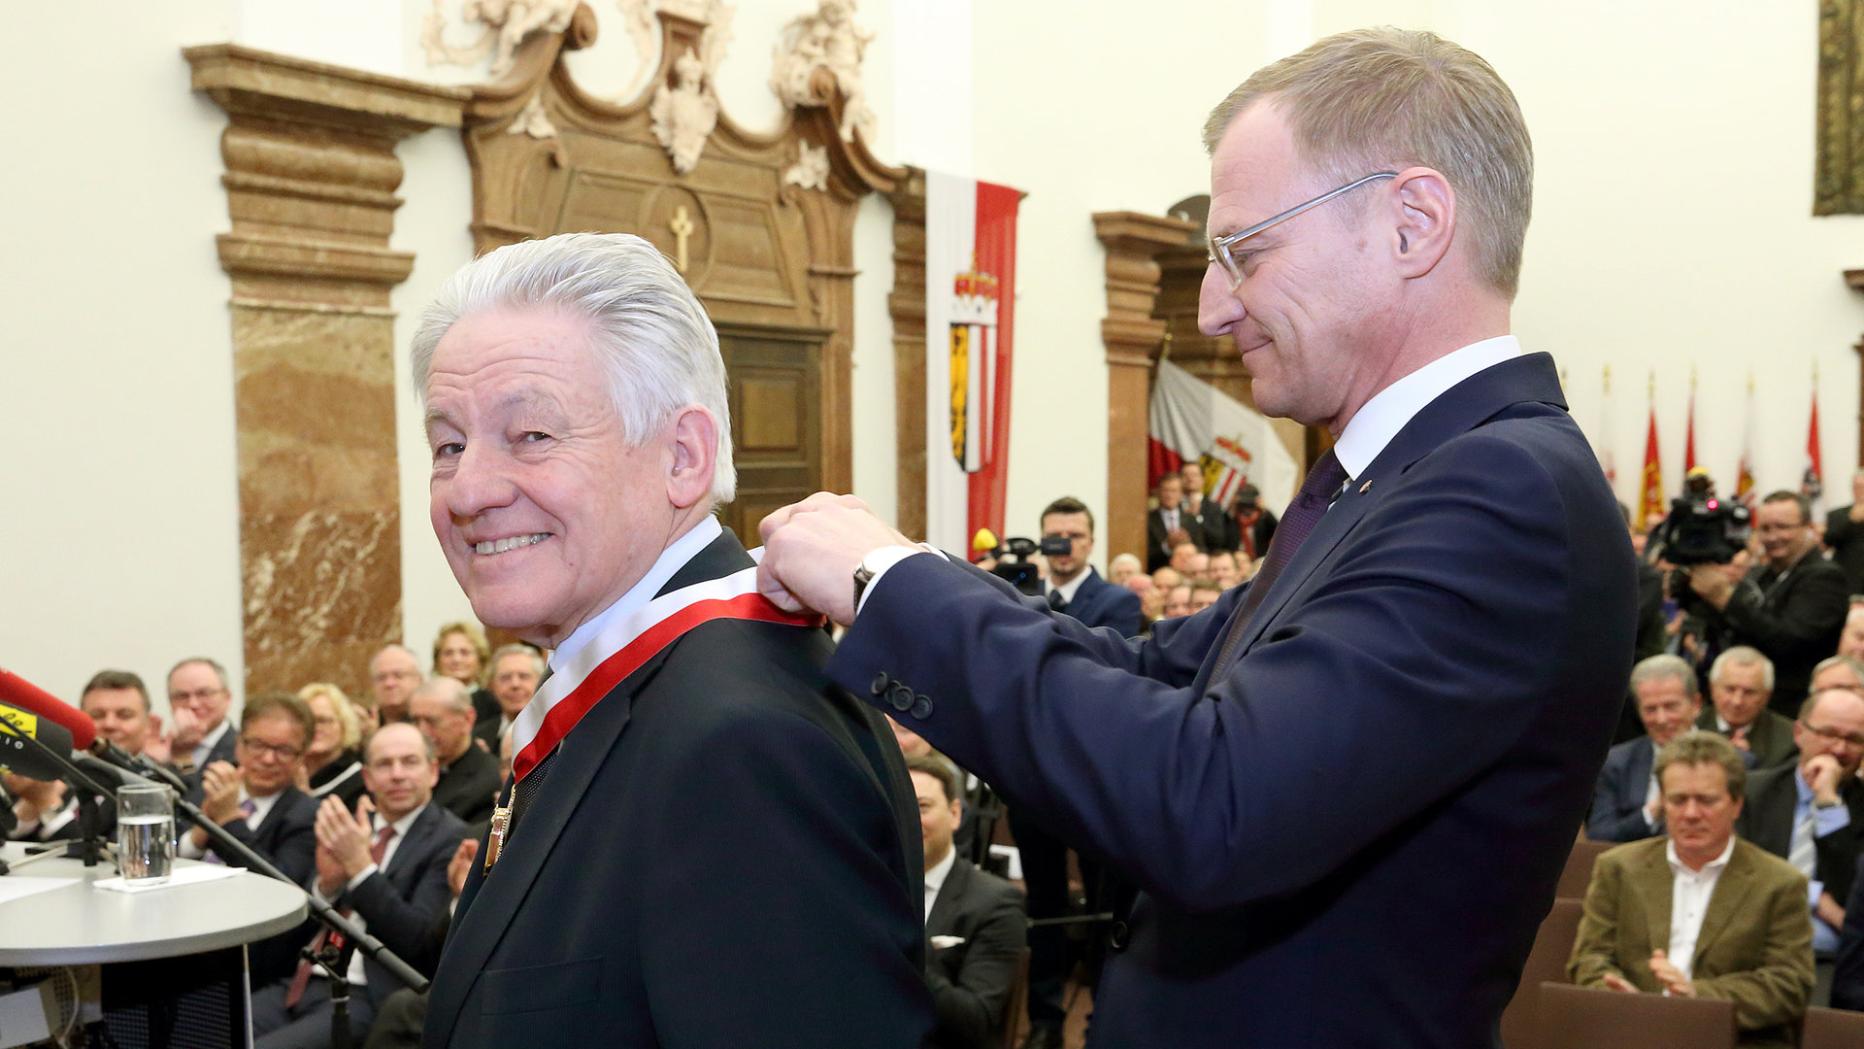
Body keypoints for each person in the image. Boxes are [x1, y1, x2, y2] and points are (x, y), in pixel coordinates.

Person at [757, 28, 1634, 1048]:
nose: (1214, 309)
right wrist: (898, 574)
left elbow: (1214, 800)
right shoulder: (1402, 478)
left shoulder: (1501, 492)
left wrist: (890, 584)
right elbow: (1150, 670)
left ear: (1412, 224)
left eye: (1243, 252)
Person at [416, 232, 931, 1048]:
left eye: (533, 435)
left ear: (683, 457)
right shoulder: (642, 680)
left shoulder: (740, 740)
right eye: (449, 445)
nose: (468, 490)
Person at [1568, 732, 1813, 1048]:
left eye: (1706, 801)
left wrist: (1697, 997)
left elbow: (1790, 983)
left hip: (1731, 1040)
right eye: (1678, 800)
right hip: (1631, 1035)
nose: (1691, 814)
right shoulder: (1618, 868)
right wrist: (1623, 999)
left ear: (1737, 804)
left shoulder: (1780, 883)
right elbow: (1588, 958)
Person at [252, 723, 468, 1047]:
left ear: (433, 771)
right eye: (384, 764)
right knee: (207, 1030)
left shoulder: (450, 838)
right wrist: (327, 886)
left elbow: (418, 941)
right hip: (300, 980)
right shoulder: (348, 827)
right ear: (367, 778)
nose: (397, 775)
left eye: (409, 762)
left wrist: (360, 869)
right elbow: (291, 934)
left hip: (364, 994)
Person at [1735, 687, 1864, 1003]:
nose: (1839, 749)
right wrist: (1817, 898)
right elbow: (1739, 873)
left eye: (1853, 739)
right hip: (1747, 947)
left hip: (1828, 961)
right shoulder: (1753, 791)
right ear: (1799, 733)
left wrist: (1829, 803)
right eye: (1828, 734)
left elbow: (1854, 898)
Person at [181, 691, 320, 985]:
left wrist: (229, 821)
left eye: (284, 750)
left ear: (302, 757)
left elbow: (281, 888)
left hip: (247, 957)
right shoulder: (204, 789)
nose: (268, 759)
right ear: (239, 744)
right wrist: (198, 836)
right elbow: (168, 855)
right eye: (257, 745)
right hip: (182, 931)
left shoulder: (306, 815)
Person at [1683, 491, 1850, 719]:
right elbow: (1733, 627)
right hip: (1741, 704)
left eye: (1783, 527)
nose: (1773, 536)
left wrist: (1725, 598)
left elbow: (1789, 640)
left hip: (1790, 709)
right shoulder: (1760, 574)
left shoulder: (1825, 577)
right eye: (1765, 528)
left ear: (1808, 527)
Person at [909, 754, 1027, 1049]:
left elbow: (975, 1020)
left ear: (955, 814)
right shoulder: (869, 883)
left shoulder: (995, 903)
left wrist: (900, 946)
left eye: (922, 807)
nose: (909, 820)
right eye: (900, 808)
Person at [1591, 654, 1701, 842]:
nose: (1661, 719)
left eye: (1671, 706)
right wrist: (1650, 813)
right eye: (1650, 709)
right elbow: (1599, 836)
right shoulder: (1617, 763)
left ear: (1696, 704)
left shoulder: (1734, 760)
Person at [408, 677, 499, 826]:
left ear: (468, 719)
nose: (422, 731)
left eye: (432, 721)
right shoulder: (406, 771)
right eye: (415, 721)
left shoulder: (488, 783)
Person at [1695, 647, 1798, 770]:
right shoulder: (1691, 726)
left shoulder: (1789, 739)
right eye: (1730, 689)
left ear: (1767, 696)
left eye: (1749, 692)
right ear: (1712, 689)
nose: (1737, 701)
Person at [167, 656, 238, 780]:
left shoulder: (241, 750)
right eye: (182, 696)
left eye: (204, 693)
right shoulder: (162, 751)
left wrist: (184, 761)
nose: (193, 704)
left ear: (227, 698)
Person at [298, 682, 367, 809]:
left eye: (323, 720)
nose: (315, 728)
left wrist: (303, 802)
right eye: (307, 721)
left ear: (344, 725)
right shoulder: (289, 775)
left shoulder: (361, 782)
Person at [472, 644, 542, 751]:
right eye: (505, 678)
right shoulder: (477, 738)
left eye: (523, 676)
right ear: (491, 685)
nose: (515, 684)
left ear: (541, 681)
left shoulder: (556, 732)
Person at [78, 669, 158, 759]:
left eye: (124, 715)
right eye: (97, 716)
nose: (109, 724)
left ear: (149, 725)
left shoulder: (166, 766)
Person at [431, 621, 498, 728]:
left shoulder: (493, 704)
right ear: (437, 661)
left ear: (480, 659)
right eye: (448, 653)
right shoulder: (427, 701)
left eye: (464, 652)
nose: (456, 659)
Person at [1144, 474, 1202, 571]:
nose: (1169, 495)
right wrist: (1167, 546)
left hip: (1188, 572)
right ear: (1157, 492)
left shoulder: (1191, 519)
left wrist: (1188, 544)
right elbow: (1145, 554)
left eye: (1174, 491)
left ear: (1181, 494)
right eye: (1165, 490)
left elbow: (1202, 549)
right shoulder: (1147, 520)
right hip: (1158, 571)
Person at [1823, 470, 1864, 593]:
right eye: (1857, 487)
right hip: (1848, 578)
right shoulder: (1838, 514)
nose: (1861, 491)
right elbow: (1828, 541)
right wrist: (1851, 521)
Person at [369, 644, 424, 725]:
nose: (389, 684)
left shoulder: (432, 725)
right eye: (381, 677)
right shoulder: (365, 724)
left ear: (419, 680)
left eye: (398, 676)